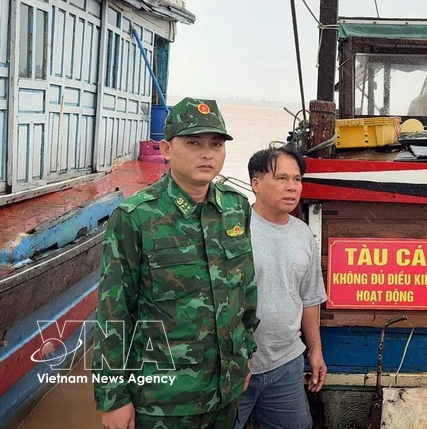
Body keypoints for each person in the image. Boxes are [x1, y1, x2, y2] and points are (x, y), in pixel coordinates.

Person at [93, 98, 258, 429]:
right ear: (167, 149)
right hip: (163, 402)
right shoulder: (136, 216)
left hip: (225, 393)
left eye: (216, 144)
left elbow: (246, 292)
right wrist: (113, 398)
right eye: (193, 143)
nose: (207, 154)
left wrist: (244, 356)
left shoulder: (236, 208)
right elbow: (114, 312)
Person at [235, 146, 327, 429]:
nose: (292, 187)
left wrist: (315, 350)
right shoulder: (234, 231)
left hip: (286, 364)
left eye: (297, 179)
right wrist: (233, 358)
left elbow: (309, 297)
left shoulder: (302, 233)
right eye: (282, 178)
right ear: (256, 184)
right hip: (236, 367)